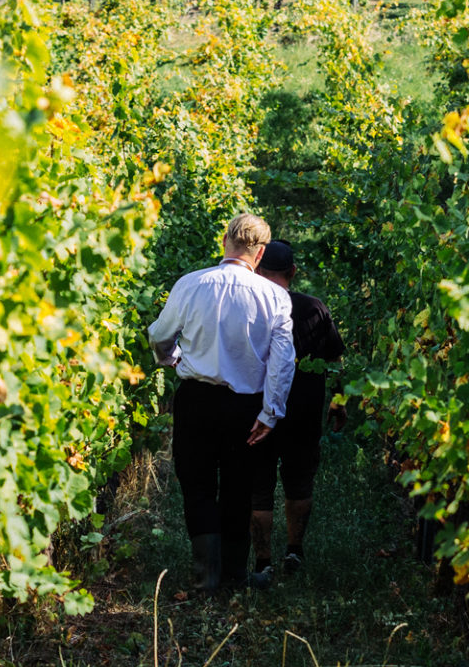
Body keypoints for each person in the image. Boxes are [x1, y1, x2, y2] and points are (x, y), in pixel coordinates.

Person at [147, 213, 295, 592]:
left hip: (196, 401)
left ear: (225, 240)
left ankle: (206, 576)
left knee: (196, 483)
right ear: (260, 253)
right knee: (238, 486)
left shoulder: (191, 284)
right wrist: (271, 412)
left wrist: (170, 357)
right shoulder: (274, 295)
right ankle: (235, 575)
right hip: (245, 406)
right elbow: (282, 361)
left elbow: (160, 335)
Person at [249, 240, 345, 577]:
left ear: (258, 269)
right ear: (293, 271)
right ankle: (294, 552)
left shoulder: (251, 307)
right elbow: (335, 360)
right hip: (303, 415)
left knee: (259, 489)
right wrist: (338, 400)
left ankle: (262, 562)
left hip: (257, 414)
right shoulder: (314, 308)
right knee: (299, 484)